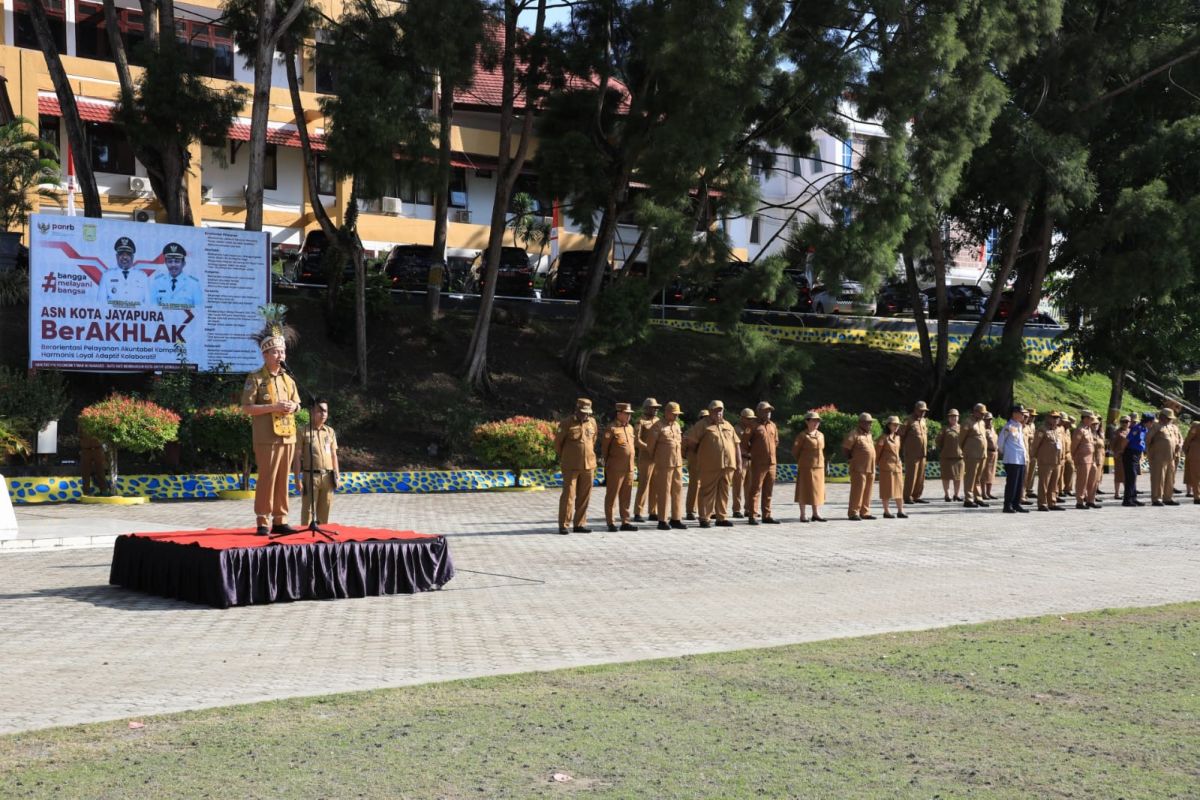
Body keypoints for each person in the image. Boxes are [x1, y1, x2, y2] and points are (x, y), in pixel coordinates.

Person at [241, 305, 300, 536]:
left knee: (283, 479)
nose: (280, 356)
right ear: (265, 354)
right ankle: (262, 521)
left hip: (288, 435)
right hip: (267, 437)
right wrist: (273, 407)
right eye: (275, 352)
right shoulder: (255, 378)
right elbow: (247, 407)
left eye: (282, 352)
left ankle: (280, 519)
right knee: (267, 477)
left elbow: (298, 403)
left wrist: (294, 406)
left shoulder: (289, 379)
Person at [688, 400, 741, 528]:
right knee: (707, 491)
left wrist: (738, 463)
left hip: (728, 465)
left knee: (724, 491)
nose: (718, 412)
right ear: (710, 411)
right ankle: (704, 518)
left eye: (720, 410)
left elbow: (736, 444)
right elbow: (691, 443)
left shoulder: (728, 425)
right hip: (710, 465)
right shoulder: (702, 425)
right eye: (715, 410)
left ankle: (721, 517)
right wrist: (702, 457)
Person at [554, 398, 598, 534]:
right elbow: (558, 444)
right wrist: (568, 457)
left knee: (584, 496)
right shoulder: (566, 423)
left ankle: (579, 524)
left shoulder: (592, 422)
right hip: (571, 466)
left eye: (588, 412)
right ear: (577, 409)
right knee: (568, 496)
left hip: (588, 465)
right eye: (583, 412)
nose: (586, 414)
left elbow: (593, 440)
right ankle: (564, 525)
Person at [293, 398, 339, 525]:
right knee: (308, 511)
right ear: (312, 412)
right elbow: (297, 456)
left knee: (325, 511)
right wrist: (297, 479)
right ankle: (305, 540)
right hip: (310, 477)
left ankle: (322, 542)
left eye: (326, 411)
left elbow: (334, 455)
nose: (324, 414)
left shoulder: (330, 431)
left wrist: (337, 475)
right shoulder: (303, 431)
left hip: (328, 477)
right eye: (320, 411)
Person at [601, 402, 638, 532]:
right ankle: (611, 522)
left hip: (629, 468)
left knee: (626, 495)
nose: (629, 416)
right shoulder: (611, 429)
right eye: (626, 414)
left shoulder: (630, 428)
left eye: (630, 414)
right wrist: (608, 465)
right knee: (612, 495)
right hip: (615, 468)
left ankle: (625, 521)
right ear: (619, 414)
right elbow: (605, 450)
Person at [648, 401, 686, 530]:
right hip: (664, 464)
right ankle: (662, 520)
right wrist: (657, 459)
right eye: (674, 414)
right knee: (664, 491)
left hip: (677, 463)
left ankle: (676, 518)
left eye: (678, 414)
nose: (676, 416)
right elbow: (650, 446)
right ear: (667, 413)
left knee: (677, 491)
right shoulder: (658, 426)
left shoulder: (676, 426)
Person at [746, 401, 780, 524]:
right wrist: (753, 453)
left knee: (768, 489)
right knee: (755, 489)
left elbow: (776, 441)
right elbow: (745, 443)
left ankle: (767, 515)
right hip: (758, 463)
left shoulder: (773, 425)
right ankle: (752, 516)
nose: (768, 413)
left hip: (772, 463)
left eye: (769, 411)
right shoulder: (753, 425)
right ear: (759, 411)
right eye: (766, 410)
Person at [792, 411, 827, 522]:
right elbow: (795, 451)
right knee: (804, 490)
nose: (816, 423)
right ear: (807, 422)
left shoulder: (821, 435)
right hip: (806, 467)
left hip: (819, 467)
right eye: (814, 420)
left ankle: (816, 513)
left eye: (818, 421)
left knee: (817, 491)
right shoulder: (802, 436)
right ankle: (803, 514)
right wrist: (803, 461)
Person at [844, 412, 877, 521]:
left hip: (870, 468)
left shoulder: (869, 435)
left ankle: (865, 512)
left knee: (868, 491)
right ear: (861, 423)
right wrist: (850, 459)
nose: (870, 425)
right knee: (857, 491)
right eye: (868, 423)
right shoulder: (854, 434)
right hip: (859, 468)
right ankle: (853, 512)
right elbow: (846, 448)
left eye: (871, 423)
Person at [996, 404, 1029, 513]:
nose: (1023, 415)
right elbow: (1000, 443)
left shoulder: (1019, 426)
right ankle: (1008, 505)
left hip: (1020, 459)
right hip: (1012, 459)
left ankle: (1016, 504)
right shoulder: (1008, 426)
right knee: (1012, 484)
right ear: (1014, 414)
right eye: (1021, 413)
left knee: (1019, 483)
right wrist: (1007, 453)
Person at [633, 398, 662, 522]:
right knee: (644, 485)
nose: (655, 409)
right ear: (646, 408)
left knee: (656, 485)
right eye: (653, 407)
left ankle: (653, 511)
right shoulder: (640, 421)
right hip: (645, 457)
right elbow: (636, 440)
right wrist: (648, 447)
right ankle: (638, 512)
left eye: (656, 408)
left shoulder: (659, 421)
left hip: (657, 457)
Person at [150, 242, 203, 308]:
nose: (173, 265)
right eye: (170, 261)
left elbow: (199, 311)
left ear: (183, 264)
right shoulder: (157, 282)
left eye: (177, 261)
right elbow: (151, 308)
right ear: (166, 263)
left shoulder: (193, 284)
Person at [101, 236, 149, 307]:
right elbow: (100, 304)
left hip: (137, 317)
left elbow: (148, 305)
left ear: (133, 257)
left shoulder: (142, 276)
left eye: (128, 254)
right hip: (113, 317)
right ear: (116, 256)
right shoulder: (107, 276)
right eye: (121, 254)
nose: (124, 257)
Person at [1146, 408, 1181, 506]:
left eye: (1171, 418)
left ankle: (1168, 498)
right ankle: (1156, 498)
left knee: (1170, 478)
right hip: (1159, 457)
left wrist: (1179, 444)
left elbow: (1179, 439)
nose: (1170, 420)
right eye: (1168, 418)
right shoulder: (1156, 426)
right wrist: (1151, 452)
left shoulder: (1173, 427)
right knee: (1158, 478)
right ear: (1162, 417)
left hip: (1171, 457)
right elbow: (1148, 439)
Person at [1032, 411, 1065, 511]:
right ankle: (1042, 503)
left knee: (1054, 484)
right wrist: (1033, 456)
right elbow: (1035, 445)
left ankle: (1052, 502)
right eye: (1053, 417)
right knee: (1044, 483)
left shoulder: (1058, 430)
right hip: (1045, 461)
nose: (1056, 419)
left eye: (1057, 418)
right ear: (1048, 418)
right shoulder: (1042, 430)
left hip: (1057, 461)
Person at [959, 403, 990, 508]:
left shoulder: (981, 423)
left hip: (982, 454)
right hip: (972, 454)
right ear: (975, 412)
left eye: (984, 414)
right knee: (970, 477)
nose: (983, 415)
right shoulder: (967, 423)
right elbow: (961, 439)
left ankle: (978, 497)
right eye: (981, 413)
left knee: (978, 477)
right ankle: (968, 498)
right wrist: (965, 451)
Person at [900, 401, 930, 504]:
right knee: (911, 475)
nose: (923, 413)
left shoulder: (923, 421)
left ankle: (916, 496)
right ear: (916, 409)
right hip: (911, 454)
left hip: (922, 453)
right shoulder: (908, 421)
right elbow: (901, 436)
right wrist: (899, 451)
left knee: (921, 476)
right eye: (921, 411)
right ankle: (907, 497)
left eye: (924, 411)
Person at [876, 416, 905, 519]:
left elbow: (898, 452)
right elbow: (877, 453)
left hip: (897, 466)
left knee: (899, 489)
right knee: (886, 489)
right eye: (894, 424)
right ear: (888, 425)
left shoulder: (898, 438)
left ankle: (900, 510)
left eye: (898, 425)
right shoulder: (883, 438)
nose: (896, 426)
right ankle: (886, 511)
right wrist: (876, 464)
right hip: (886, 466)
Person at [683, 409, 709, 521]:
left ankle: (708, 510)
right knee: (694, 485)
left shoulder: (710, 430)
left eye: (706, 417)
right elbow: (683, 447)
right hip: (695, 460)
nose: (704, 419)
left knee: (708, 485)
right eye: (702, 417)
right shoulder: (691, 431)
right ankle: (690, 511)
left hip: (707, 461)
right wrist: (688, 457)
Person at [1122, 412, 1151, 506]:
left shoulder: (1144, 428)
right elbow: (1127, 440)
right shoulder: (1136, 428)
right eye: (1151, 422)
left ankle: (1133, 498)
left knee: (1133, 477)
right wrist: (1121, 451)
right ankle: (1127, 500)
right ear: (1148, 421)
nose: (1152, 424)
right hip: (1130, 453)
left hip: (1137, 454)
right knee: (1130, 476)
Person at [1070, 410, 1097, 510]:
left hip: (1091, 458)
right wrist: (1074, 457)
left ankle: (1090, 500)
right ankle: (1080, 501)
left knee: (1093, 480)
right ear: (1085, 418)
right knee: (1082, 480)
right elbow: (1074, 446)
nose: (1092, 421)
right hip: (1083, 459)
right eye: (1090, 419)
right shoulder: (1080, 430)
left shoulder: (1088, 429)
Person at [732, 408, 756, 518]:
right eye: (748, 419)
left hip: (751, 460)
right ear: (742, 418)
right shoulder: (736, 430)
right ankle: (736, 510)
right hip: (741, 459)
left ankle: (748, 509)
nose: (751, 421)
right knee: (738, 486)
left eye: (752, 419)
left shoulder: (751, 429)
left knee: (750, 486)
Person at [936, 409, 964, 502]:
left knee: (958, 477)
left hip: (959, 457)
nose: (954, 418)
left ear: (958, 417)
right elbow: (938, 441)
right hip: (946, 457)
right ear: (948, 418)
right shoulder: (945, 429)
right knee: (946, 477)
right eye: (952, 416)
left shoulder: (962, 428)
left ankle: (956, 494)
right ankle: (947, 495)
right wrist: (945, 449)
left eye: (955, 416)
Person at [78, 425, 109, 496]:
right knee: (85, 472)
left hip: (97, 448)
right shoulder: (81, 421)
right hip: (86, 450)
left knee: (100, 470)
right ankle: (86, 492)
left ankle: (104, 490)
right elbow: (79, 435)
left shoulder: (97, 418)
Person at [1110, 416, 1130, 500]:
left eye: (1127, 421)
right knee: (1119, 475)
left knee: (1128, 475)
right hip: (1119, 456)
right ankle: (1117, 493)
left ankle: (1127, 492)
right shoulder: (1117, 432)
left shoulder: (1131, 431)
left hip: (1129, 456)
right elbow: (1112, 444)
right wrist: (1116, 453)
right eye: (1123, 421)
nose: (1125, 423)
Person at [981, 412, 999, 500]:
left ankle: (989, 492)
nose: (989, 421)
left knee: (991, 474)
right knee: (985, 474)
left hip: (994, 453)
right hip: (987, 453)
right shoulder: (983, 429)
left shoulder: (992, 429)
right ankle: (983, 493)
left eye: (990, 419)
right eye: (987, 419)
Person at [1023, 407, 1039, 500]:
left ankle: (1029, 489)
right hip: (1026, 450)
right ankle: (1024, 491)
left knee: (1032, 472)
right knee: (1025, 473)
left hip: (1033, 451)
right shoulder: (1023, 425)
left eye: (1034, 416)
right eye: (1031, 416)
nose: (1033, 418)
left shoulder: (1032, 425)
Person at [1058, 415, 1076, 499]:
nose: (1069, 426)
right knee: (1060, 472)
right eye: (1068, 424)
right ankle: (1060, 490)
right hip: (1061, 452)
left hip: (1068, 452)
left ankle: (1068, 488)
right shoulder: (1060, 429)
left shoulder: (1068, 430)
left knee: (1071, 468)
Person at [1184, 420, 1200, 504]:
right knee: (1196, 475)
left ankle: (1197, 496)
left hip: (1196, 452)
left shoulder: (1196, 426)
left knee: (1195, 476)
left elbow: (1189, 438)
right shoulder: (1197, 426)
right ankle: (1197, 496)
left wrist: (1186, 450)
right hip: (1196, 453)